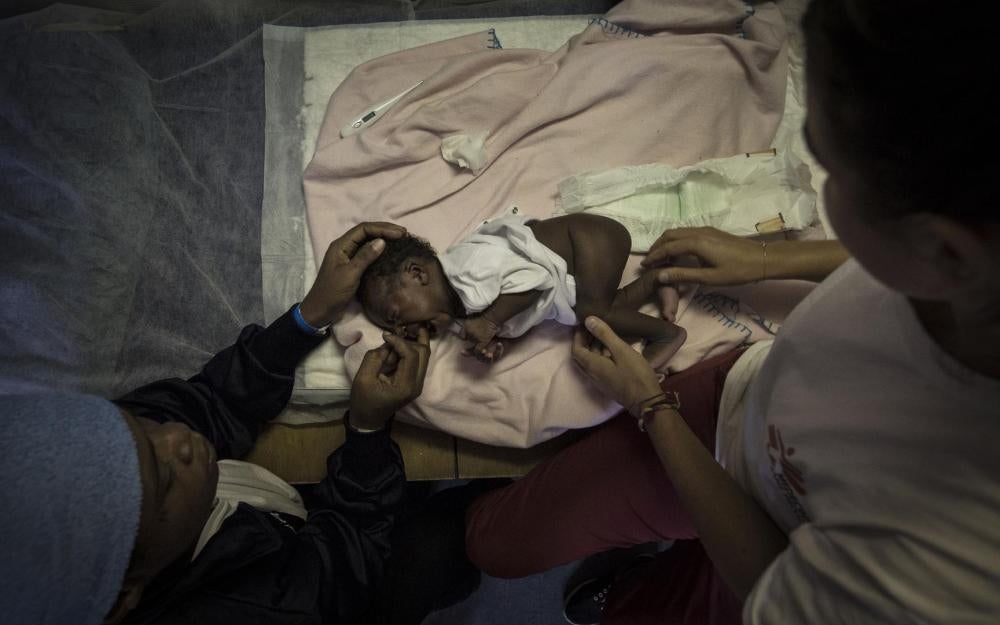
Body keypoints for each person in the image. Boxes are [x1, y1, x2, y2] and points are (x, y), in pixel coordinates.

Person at [464, 1, 1000, 623]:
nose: (818, 183)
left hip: (757, 564)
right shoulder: (971, 257)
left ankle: (637, 594)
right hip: (737, 408)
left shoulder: (959, 568)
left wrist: (652, 410)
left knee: (647, 606)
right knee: (497, 541)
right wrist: (763, 259)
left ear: (943, 248)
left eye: (832, 168)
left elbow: (770, 582)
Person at [0, 223, 477, 625]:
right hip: (342, 582)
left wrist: (306, 317)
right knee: (445, 538)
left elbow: (211, 403)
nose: (175, 436)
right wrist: (369, 428)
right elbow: (344, 558)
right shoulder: (252, 607)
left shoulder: (124, 454)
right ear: (126, 595)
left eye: (136, 425)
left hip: (280, 517)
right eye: (164, 478)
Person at [359, 213, 685, 366]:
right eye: (396, 329)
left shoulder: (467, 268)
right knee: (593, 313)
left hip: (587, 239)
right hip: (573, 274)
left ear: (417, 274)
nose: (403, 330)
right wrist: (494, 346)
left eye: (395, 315)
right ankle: (658, 280)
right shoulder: (459, 317)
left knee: (591, 315)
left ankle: (666, 334)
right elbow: (521, 317)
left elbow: (533, 280)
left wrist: (491, 322)